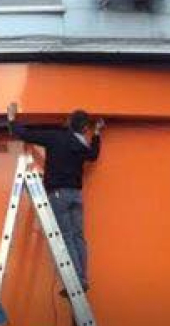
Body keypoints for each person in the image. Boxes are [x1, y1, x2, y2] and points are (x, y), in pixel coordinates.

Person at [8, 103, 102, 292]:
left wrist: (11, 119)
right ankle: (82, 279)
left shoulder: (56, 137)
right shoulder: (81, 145)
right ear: (85, 129)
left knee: (66, 237)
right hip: (76, 195)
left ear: (68, 122)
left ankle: (76, 282)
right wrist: (97, 133)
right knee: (78, 236)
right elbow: (93, 155)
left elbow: (24, 134)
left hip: (59, 195)